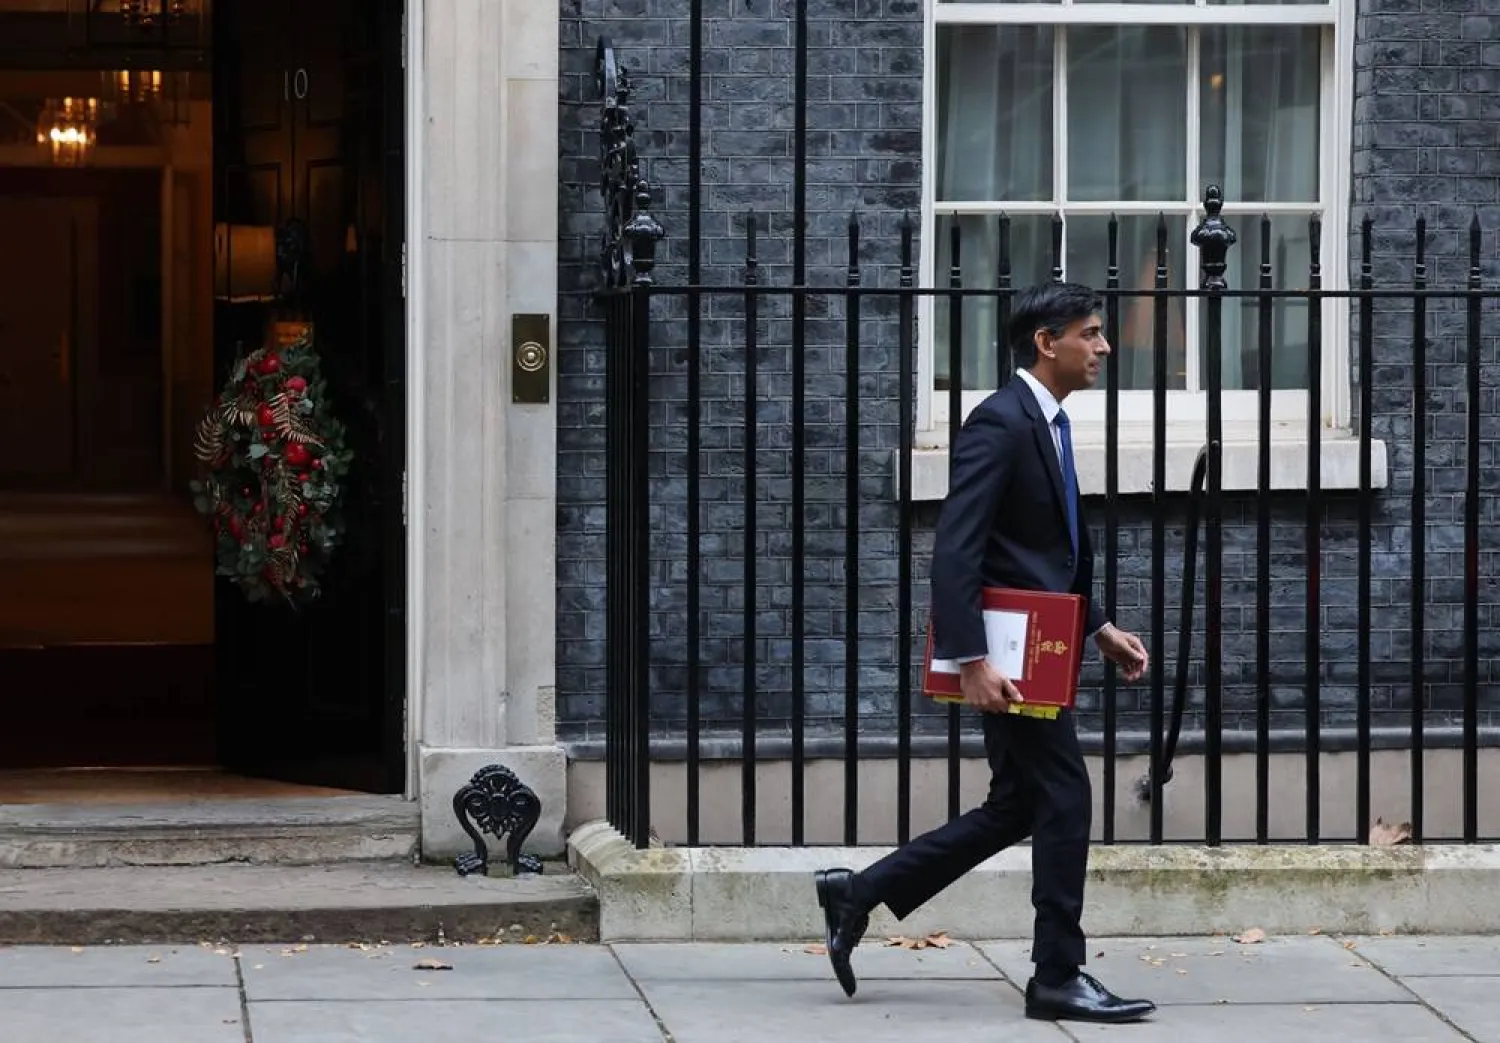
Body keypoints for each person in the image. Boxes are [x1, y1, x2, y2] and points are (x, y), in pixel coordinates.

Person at [814, 282, 1156, 1024]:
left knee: (1016, 807)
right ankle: (1058, 974)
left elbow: (1036, 548)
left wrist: (1096, 626)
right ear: (1046, 342)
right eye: (1090, 334)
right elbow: (958, 551)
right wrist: (969, 658)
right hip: (1006, 658)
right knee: (1065, 798)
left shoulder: (1049, 423)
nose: (1102, 347)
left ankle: (860, 890)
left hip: (1039, 648)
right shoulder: (1000, 423)